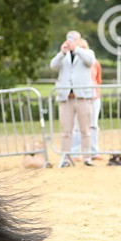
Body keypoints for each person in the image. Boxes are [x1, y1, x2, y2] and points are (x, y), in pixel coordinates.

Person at [50, 30, 97, 166]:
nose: (71, 42)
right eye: (69, 39)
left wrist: (76, 49)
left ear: (79, 40)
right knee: (66, 131)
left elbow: (90, 62)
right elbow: (53, 66)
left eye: (74, 39)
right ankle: (66, 158)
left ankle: (87, 157)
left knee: (85, 129)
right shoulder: (63, 55)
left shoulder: (87, 53)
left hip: (82, 97)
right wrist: (61, 53)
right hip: (66, 98)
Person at [70, 39, 103, 159]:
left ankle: (94, 151)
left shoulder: (94, 62)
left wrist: (96, 93)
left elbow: (98, 80)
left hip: (93, 97)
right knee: (78, 126)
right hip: (80, 97)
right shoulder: (74, 64)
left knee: (93, 125)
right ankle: (75, 152)